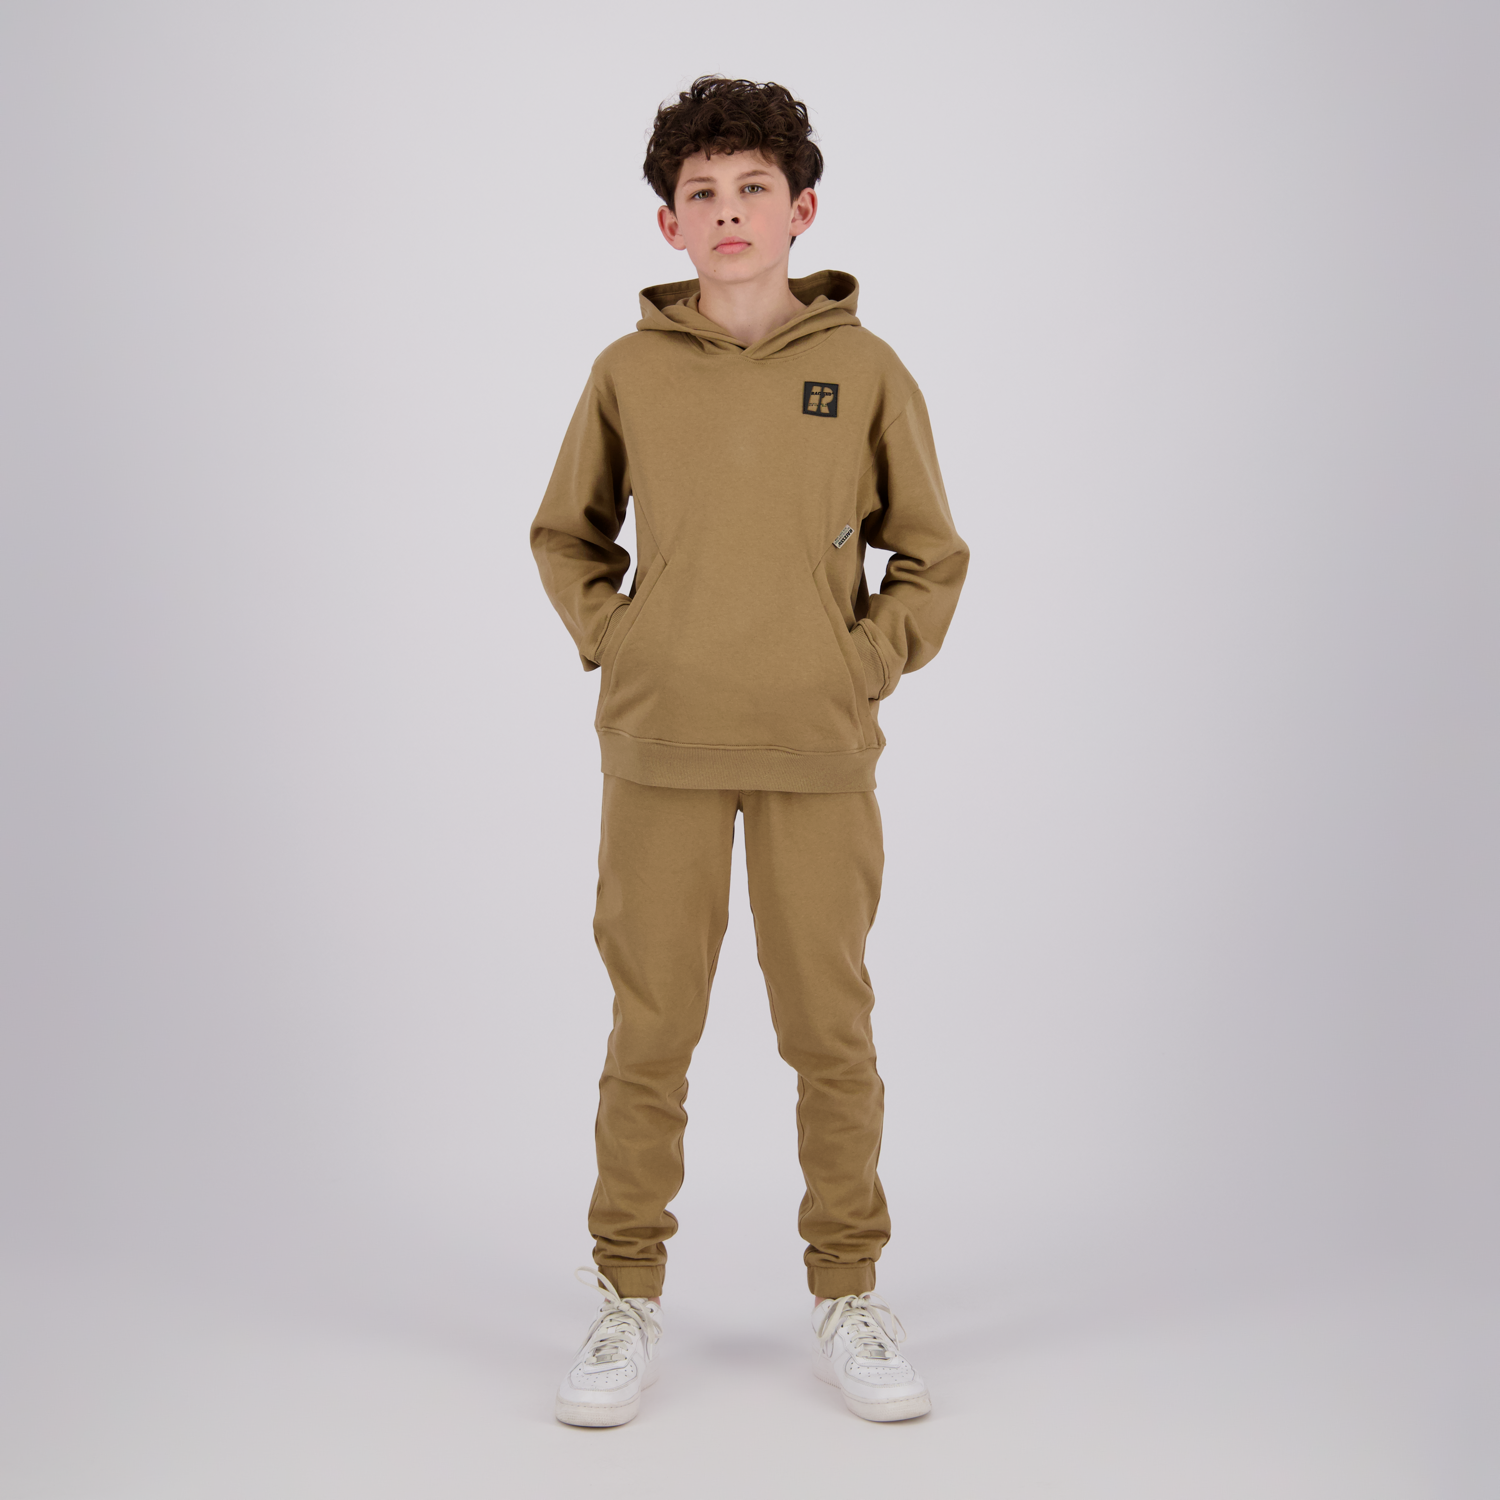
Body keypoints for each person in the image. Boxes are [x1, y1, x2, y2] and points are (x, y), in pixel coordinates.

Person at [530, 75, 968, 1427]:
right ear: (670, 223)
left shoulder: (868, 370)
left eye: (753, 190)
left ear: (801, 210)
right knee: (649, 1030)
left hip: (817, 752)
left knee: (829, 1030)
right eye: (702, 194)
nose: (729, 213)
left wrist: (863, 660)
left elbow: (931, 555)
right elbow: (567, 535)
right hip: (659, 748)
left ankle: (850, 1287)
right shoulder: (627, 373)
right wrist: (623, 640)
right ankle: (624, 1295)